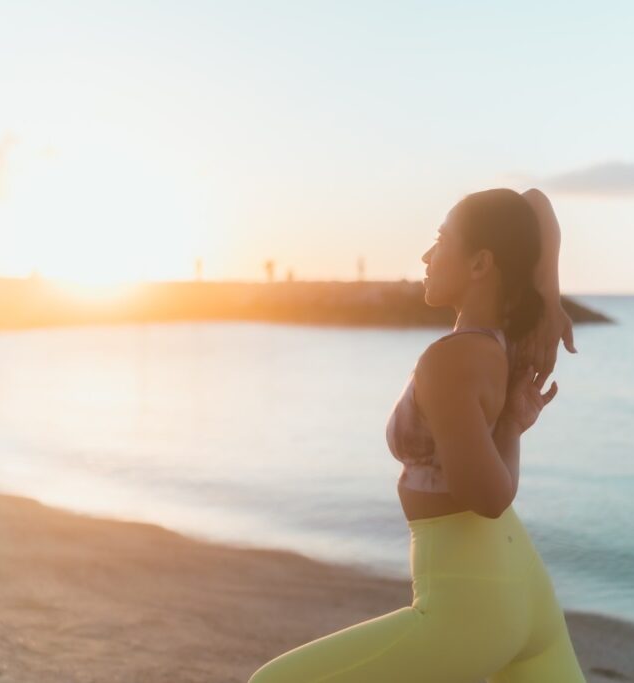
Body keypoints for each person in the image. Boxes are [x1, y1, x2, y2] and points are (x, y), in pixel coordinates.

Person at [248, 188, 584, 682]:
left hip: (471, 602)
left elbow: (488, 496)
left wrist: (514, 420)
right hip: (523, 585)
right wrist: (548, 307)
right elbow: (535, 204)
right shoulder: (504, 344)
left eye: (440, 240)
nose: (427, 256)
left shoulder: (448, 361)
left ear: (479, 264)